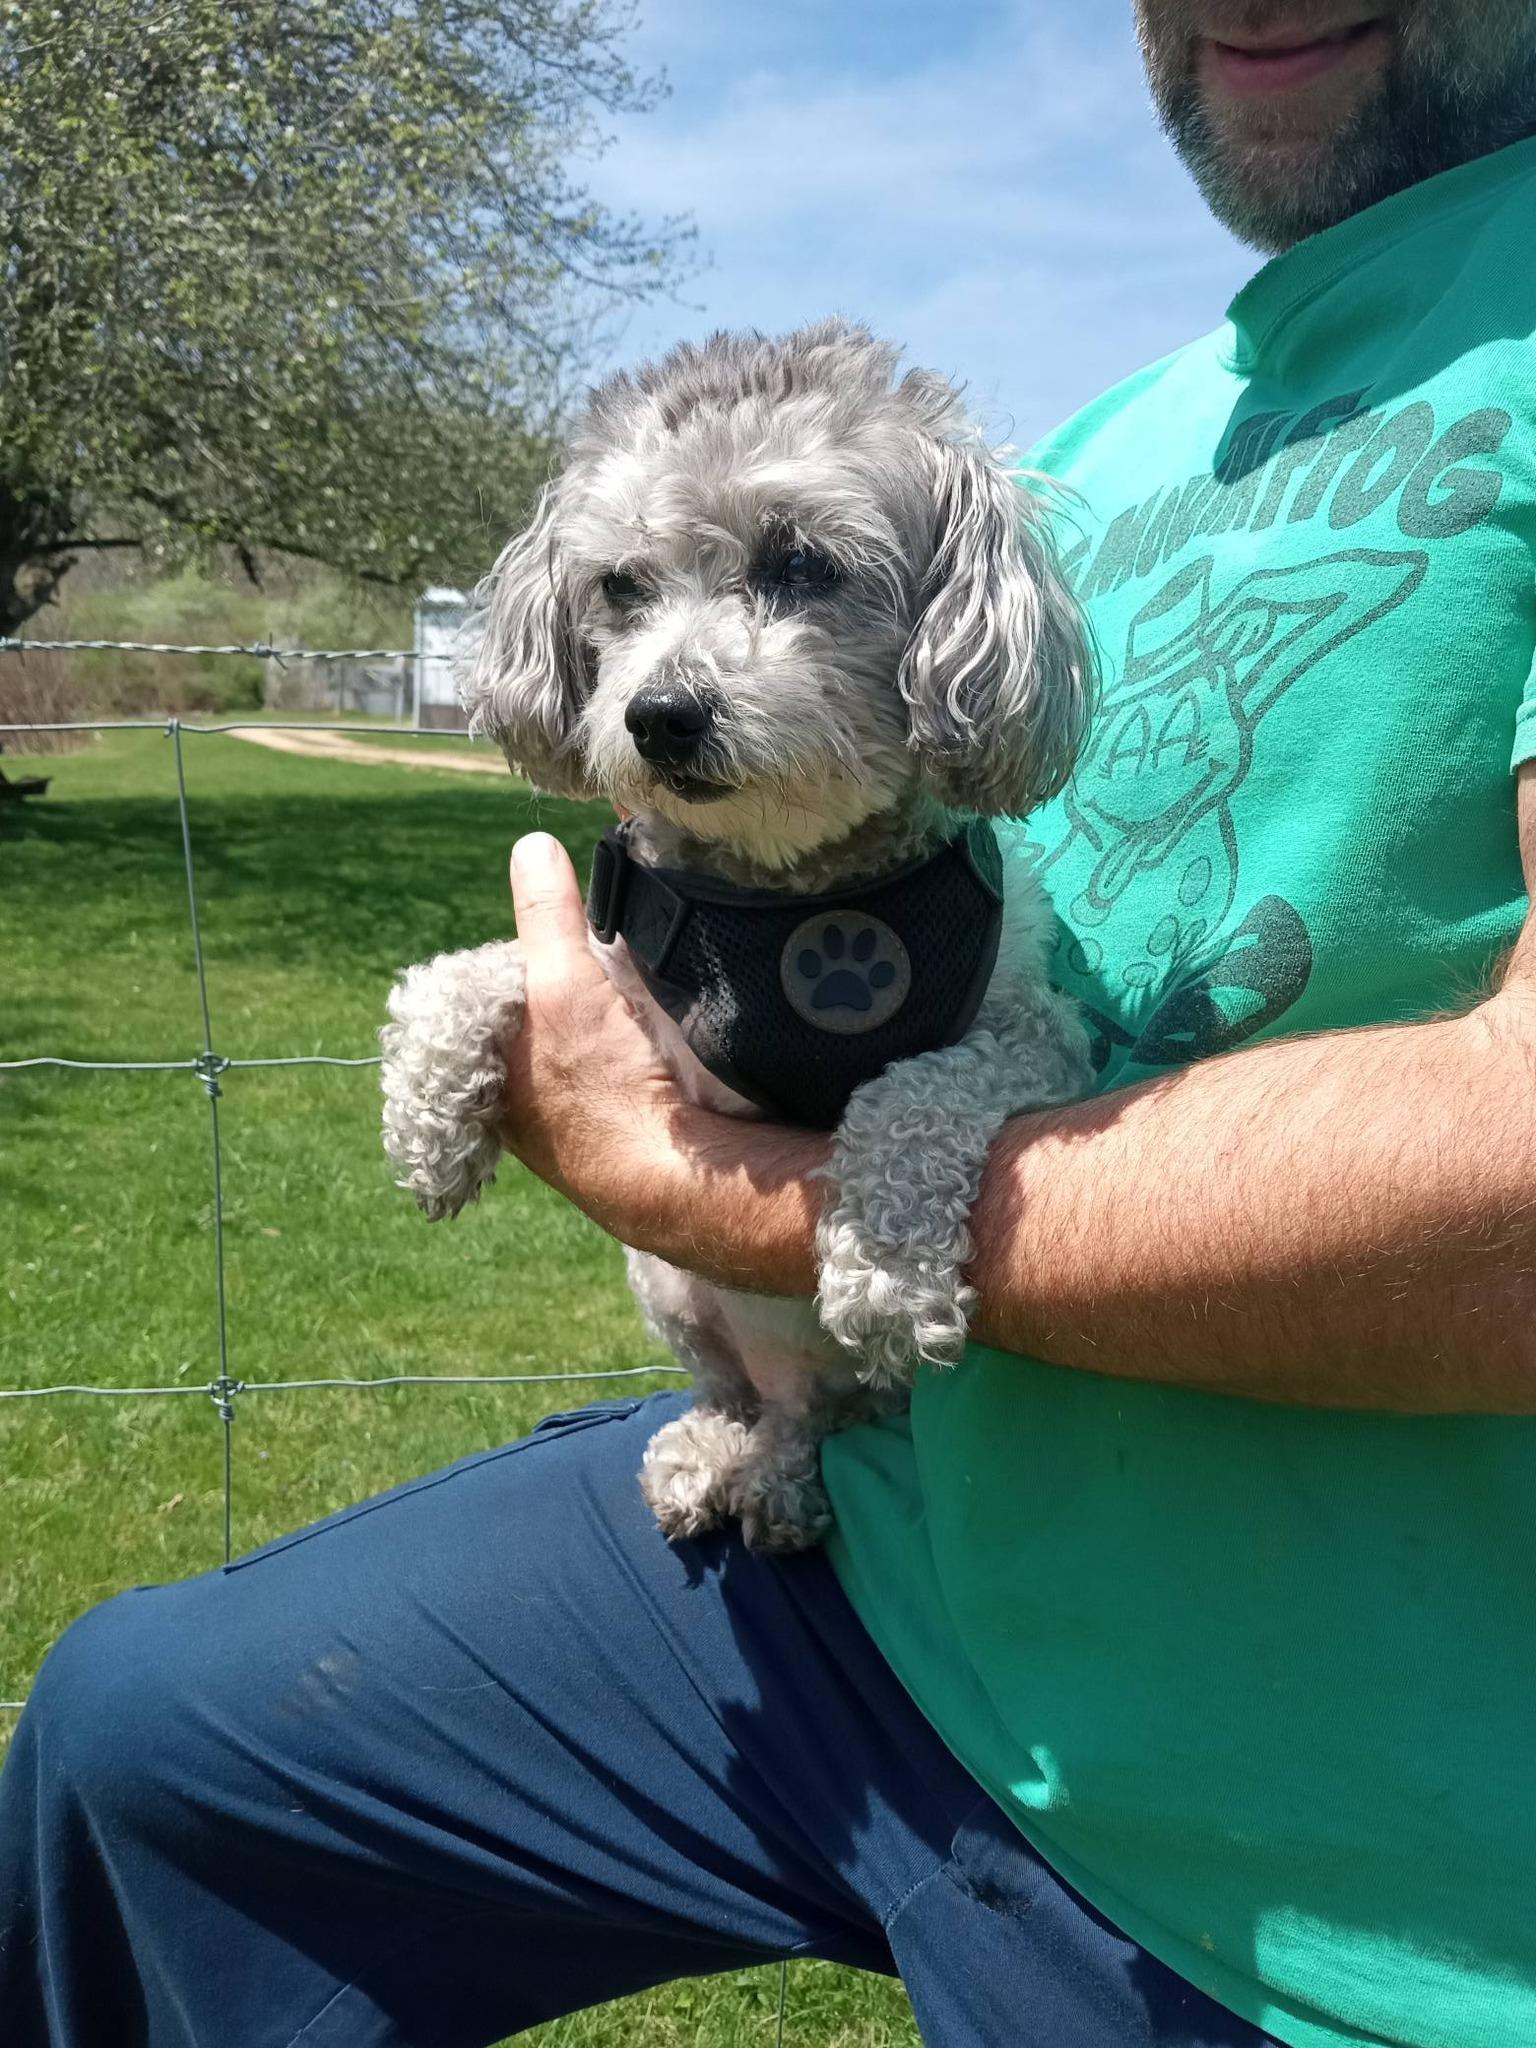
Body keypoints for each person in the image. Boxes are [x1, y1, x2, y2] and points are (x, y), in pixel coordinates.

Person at [6, 3, 1536, 2042]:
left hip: (1319, 1830)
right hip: (903, 1555)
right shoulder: (1100, 435)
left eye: (799, 578)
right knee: (142, 1745)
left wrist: (710, 1189)